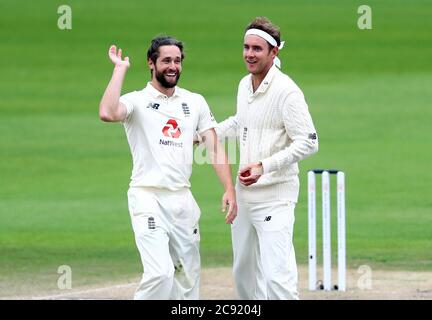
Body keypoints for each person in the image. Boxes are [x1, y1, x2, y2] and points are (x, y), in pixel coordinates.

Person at [98, 36, 237, 300]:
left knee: (187, 277)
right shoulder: (137, 101)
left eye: (177, 60)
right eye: (166, 61)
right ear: (151, 63)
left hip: (182, 199)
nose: (173, 66)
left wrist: (229, 188)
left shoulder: (194, 102)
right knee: (160, 273)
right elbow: (107, 112)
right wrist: (119, 70)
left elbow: (214, 147)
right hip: (148, 196)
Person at [216, 17, 319, 300]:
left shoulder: (287, 91)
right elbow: (241, 122)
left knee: (277, 277)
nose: (249, 54)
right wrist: (206, 133)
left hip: (276, 195)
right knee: (244, 275)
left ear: (274, 52)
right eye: (246, 47)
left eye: (257, 49)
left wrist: (265, 166)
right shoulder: (243, 85)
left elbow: (310, 141)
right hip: (245, 195)